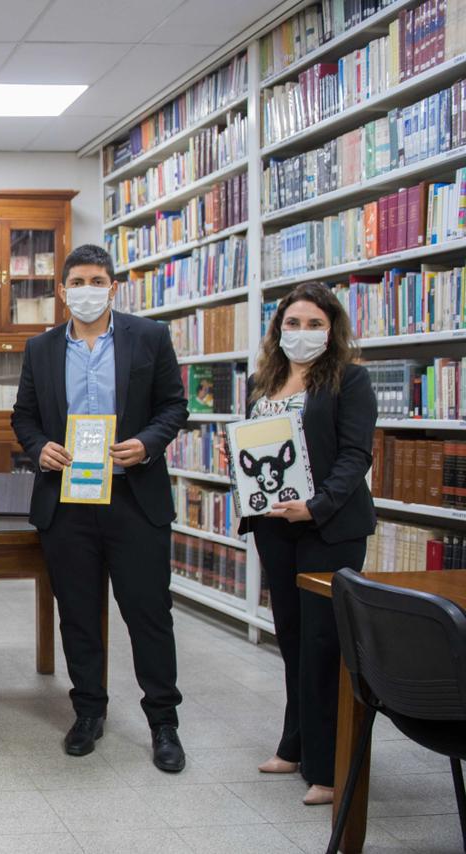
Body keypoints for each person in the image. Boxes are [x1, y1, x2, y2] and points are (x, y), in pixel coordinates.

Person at [11, 243, 189, 773]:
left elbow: (174, 406)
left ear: (113, 286)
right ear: (61, 290)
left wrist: (149, 443)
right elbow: (24, 416)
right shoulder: (40, 348)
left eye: (98, 280)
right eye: (78, 282)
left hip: (134, 498)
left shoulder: (150, 337)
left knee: (149, 616)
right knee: (79, 617)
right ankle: (88, 712)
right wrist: (38, 446)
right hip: (69, 504)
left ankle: (164, 723)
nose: (87, 290)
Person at [239, 282, 376, 806]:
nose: (301, 333)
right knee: (293, 640)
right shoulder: (263, 382)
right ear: (278, 330)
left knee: (325, 647)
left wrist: (315, 506)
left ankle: (328, 767)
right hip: (275, 527)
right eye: (292, 324)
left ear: (332, 328)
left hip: (329, 529)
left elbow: (354, 457)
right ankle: (294, 747)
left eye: (314, 323)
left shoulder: (350, 380)